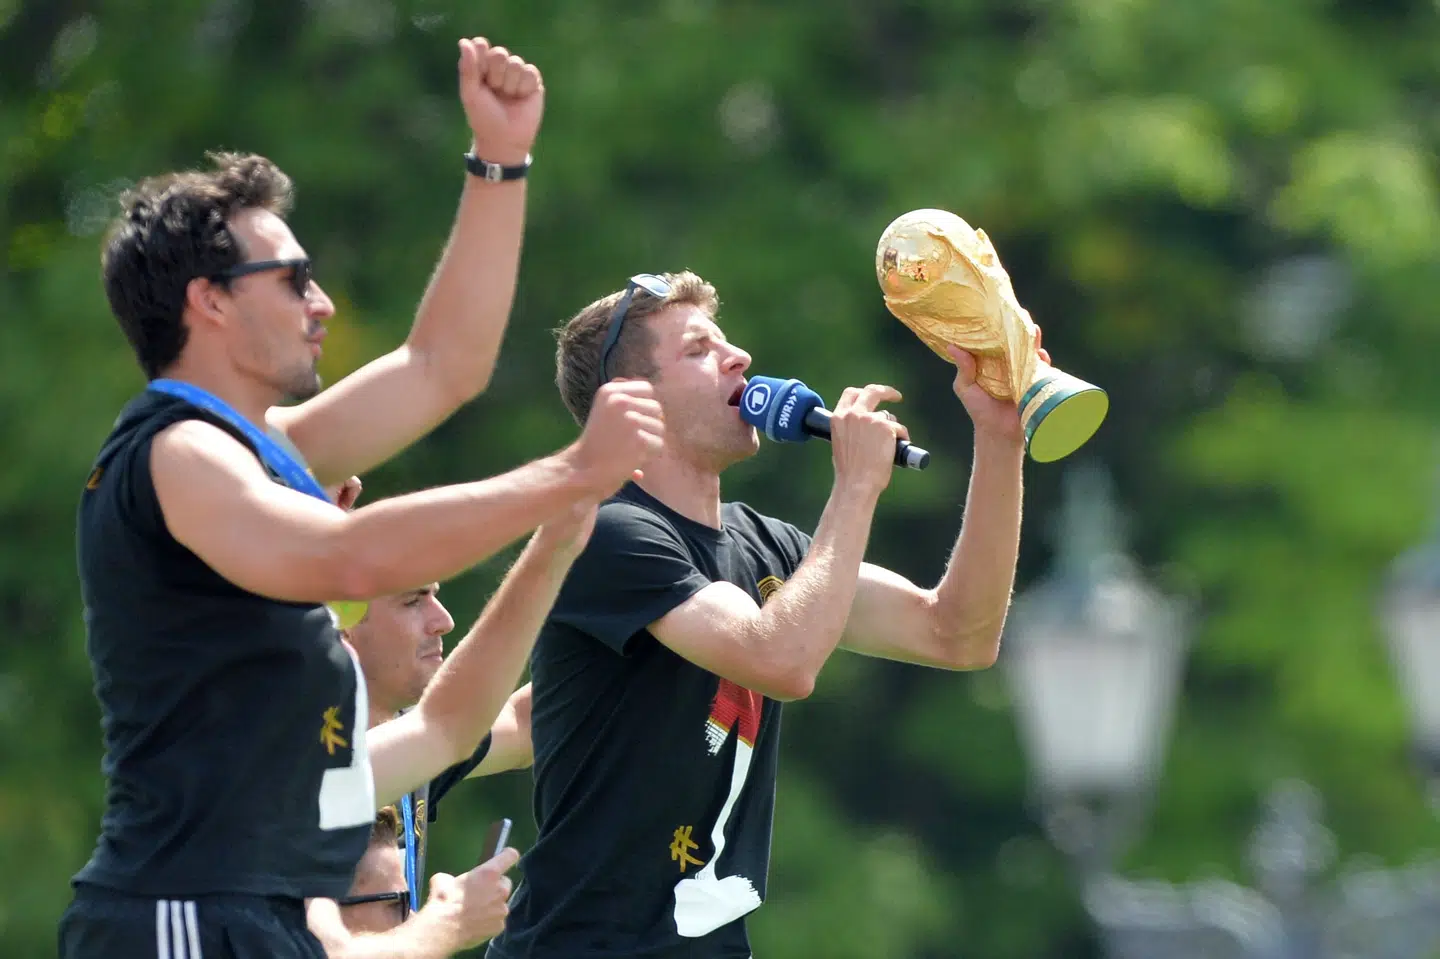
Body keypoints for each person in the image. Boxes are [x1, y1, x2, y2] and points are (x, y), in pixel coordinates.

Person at [59, 35, 665, 959]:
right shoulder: (181, 453)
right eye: (293, 278)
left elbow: (443, 367)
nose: (323, 302)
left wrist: (499, 161)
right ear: (208, 302)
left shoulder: (259, 449)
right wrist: (573, 473)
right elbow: (355, 558)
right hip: (181, 915)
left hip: (252, 916)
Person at [488, 270, 1042, 958]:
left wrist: (1000, 438)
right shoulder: (609, 532)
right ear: (631, 404)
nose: (739, 358)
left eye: (726, 341)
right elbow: (781, 659)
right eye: (697, 349)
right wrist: (857, 485)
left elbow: (958, 633)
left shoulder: (771, 547)